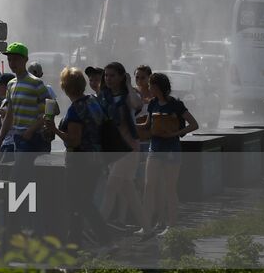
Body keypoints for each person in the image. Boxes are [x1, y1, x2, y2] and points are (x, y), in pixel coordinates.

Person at [47, 66, 111, 246]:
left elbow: (74, 140)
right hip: (96, 160)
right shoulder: (92, 101)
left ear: (66, 87)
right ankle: (75, 242)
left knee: (79, 202)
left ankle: (103, 240)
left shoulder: (75, 110)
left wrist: (54, 130)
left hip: (80, 163)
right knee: (82, 202)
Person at [140, 72, 199, 237]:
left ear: (157, 87)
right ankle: (147, 225)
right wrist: (133, 125)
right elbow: (148, 124)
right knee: (149, 186)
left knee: (170, 188)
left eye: (150, 85)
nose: (148, 88)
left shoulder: (176, 104)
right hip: (155, 148)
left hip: (171, 149)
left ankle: (171, 226)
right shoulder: (153, 103)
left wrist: (175, 134)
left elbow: (194, 124)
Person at [98, 61, 143, 229]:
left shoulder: (128, 95)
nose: (108, 79)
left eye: (112, 75)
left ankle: (99, 228)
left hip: (129, 148)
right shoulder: (104, 96)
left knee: (111, 188)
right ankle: (147, 228)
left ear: (122, 77)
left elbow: (137, 105)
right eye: (106, 75)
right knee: (129, 192)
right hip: (113, 148)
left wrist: (129, 85)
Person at [0, 43, 49, 154]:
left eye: (16, 59)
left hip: (34, 138)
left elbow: (51, 110)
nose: (12, 63)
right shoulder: (11, 84)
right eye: (9, 59)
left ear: (25, 60)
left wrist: (31, 130)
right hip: (18, 138)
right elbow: (9, 117)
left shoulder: (36, 83)